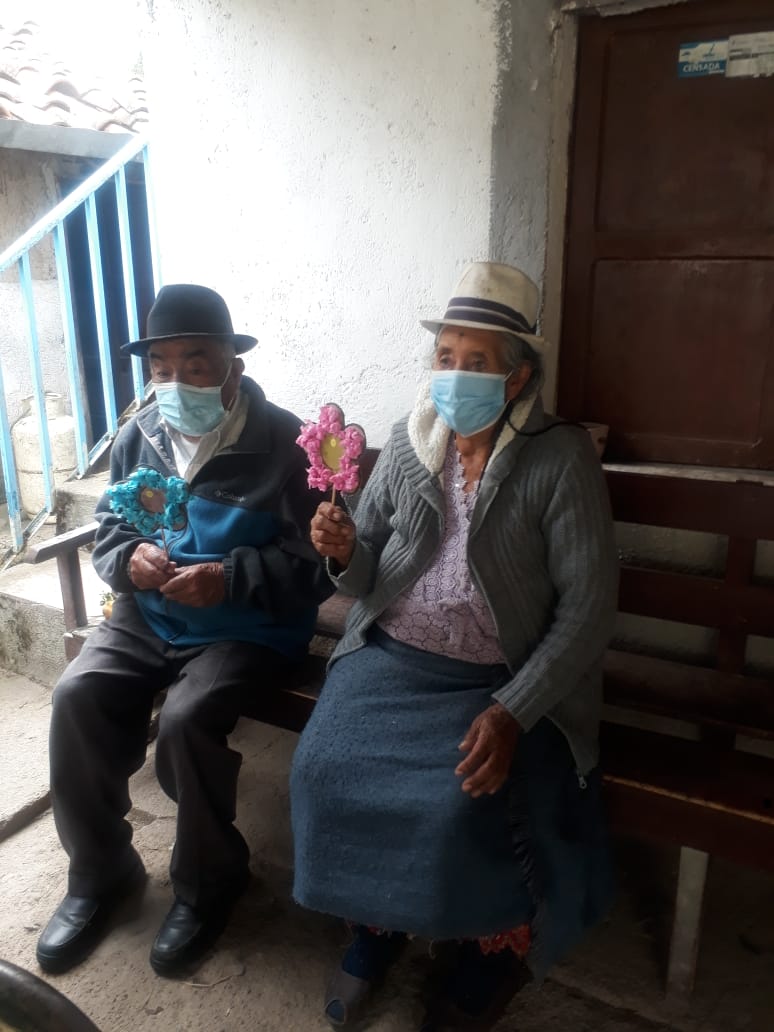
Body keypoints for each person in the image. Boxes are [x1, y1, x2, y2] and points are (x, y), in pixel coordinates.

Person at [290, 262, 619, 1031]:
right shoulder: (412, 446)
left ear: (517, 377)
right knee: (321, 769)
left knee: (458, 804)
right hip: (392, 655)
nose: (455, 374)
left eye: (477, 360)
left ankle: (487, 950)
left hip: (497, 675)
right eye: (446, 356)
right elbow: (369, 571)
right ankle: (375, 927)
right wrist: (343, 550)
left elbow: (589, 605)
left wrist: (513, 710)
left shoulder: (558, 457)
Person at [36, 284, 332, 978]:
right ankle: (102, 872)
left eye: (194, 363)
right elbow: (111, 531)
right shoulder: (140, 434)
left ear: (233, 364)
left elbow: (316, 565)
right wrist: (130, 560)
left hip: (246, 627)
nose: (175, 383)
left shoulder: (286, 445)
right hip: (150, 616)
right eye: (161, 367)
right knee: (76, 697)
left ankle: (209, 883)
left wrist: (228, 577)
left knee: (187, 721)